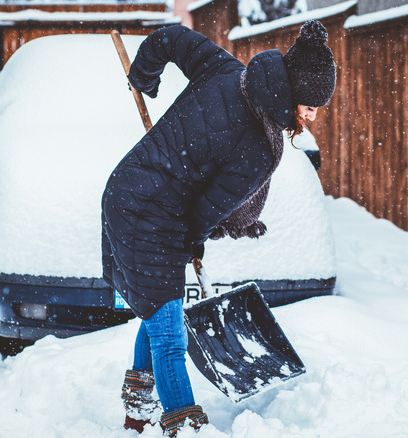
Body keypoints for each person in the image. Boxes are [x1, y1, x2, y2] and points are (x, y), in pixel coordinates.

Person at [101, 19, 336, 436]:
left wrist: (145, 74)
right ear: (292, 93)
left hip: (125, 189)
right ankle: (186, 428)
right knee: (170, 337)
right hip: (150, 217)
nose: (313, 115)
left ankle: (136, 413)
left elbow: (172, 38)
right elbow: (208, 211)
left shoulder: (227, 70)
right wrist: (193, 240)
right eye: (310, 104)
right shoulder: (261, 149)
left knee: (157, 309)